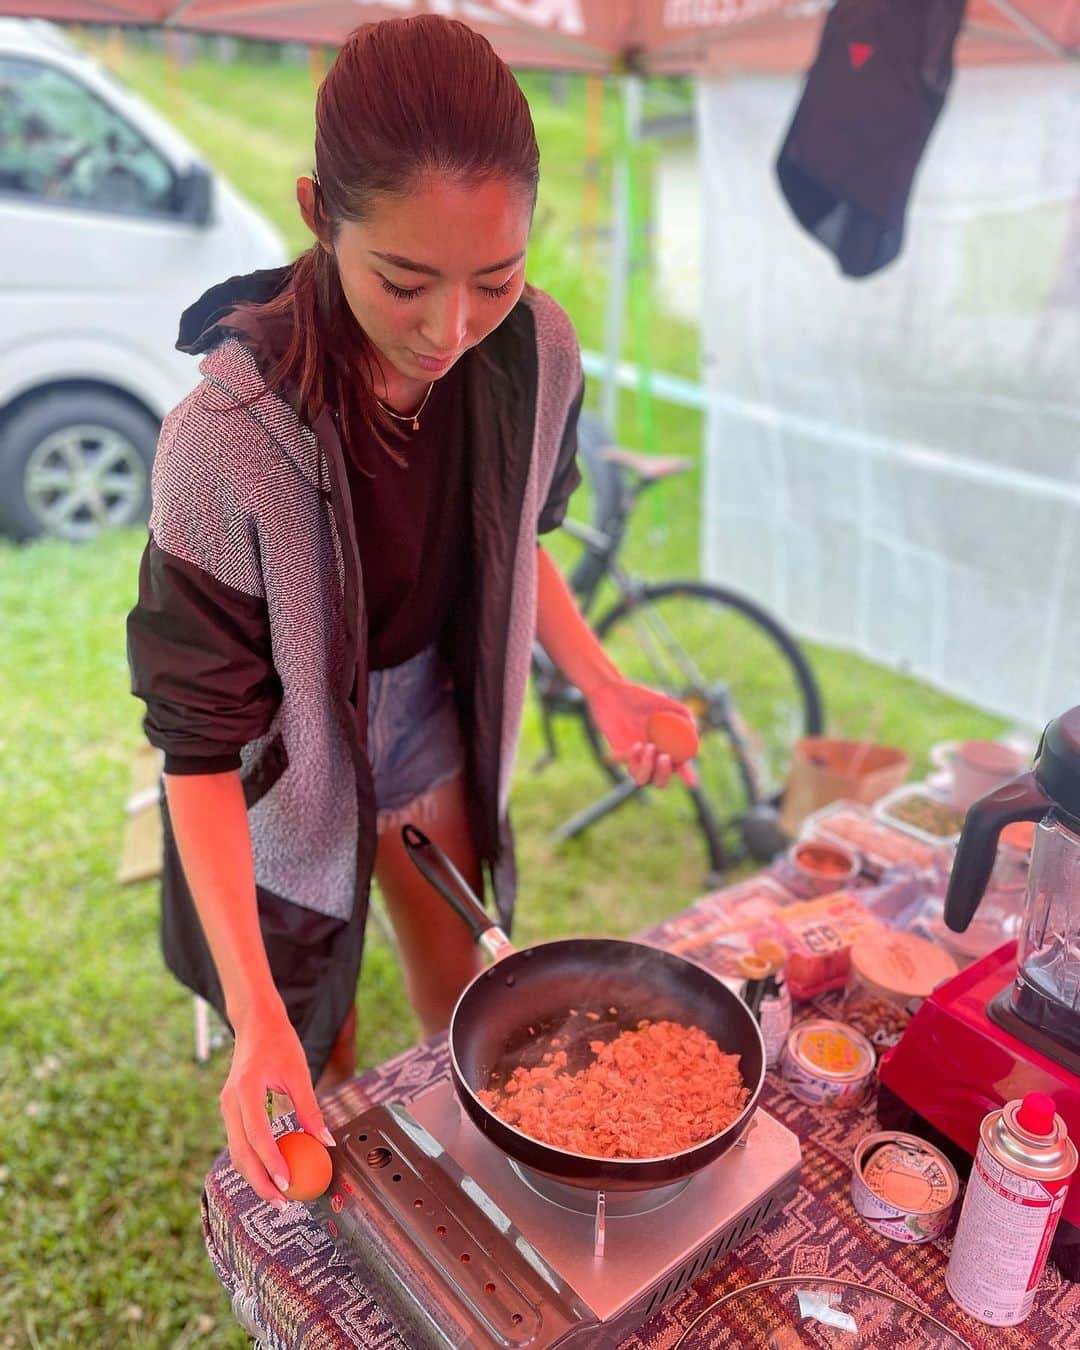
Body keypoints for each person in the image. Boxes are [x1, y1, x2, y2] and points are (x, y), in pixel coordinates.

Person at [126, 15, 697, 1213]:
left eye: (494, 277)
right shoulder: (224, 441)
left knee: (471, 1019)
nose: (450, 331)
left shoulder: (535, 350)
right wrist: (253, 1016)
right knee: (304, 1049)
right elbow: (198, 749)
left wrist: (598, 679)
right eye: (402, 279)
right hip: (284, 768)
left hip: (432, 709)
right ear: (317, 212)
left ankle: (491, 1212)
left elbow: (515, 545)